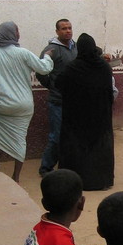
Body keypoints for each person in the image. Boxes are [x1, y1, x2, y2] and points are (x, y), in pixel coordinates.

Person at [0, 21, 53, 183]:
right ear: (13, 35)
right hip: (25, 105)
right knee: (19, 139)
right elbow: (44, 68)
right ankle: (16, 176)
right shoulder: (23, 53)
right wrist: (48, 56)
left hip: (3, 103)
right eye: (17, 31)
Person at [54, 33, 115, 191]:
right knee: (99, 149)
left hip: (76, 117)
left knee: (76, 148)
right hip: (100, 117)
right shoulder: (104, 67)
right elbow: (110, 92)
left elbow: (59, 83)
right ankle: (100, 181)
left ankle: (74, 181)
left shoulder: (72, 68)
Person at [37, 18, 77, 176]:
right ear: (57, 32)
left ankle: (67, 166)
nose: (67, 31)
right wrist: (52, 86)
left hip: (73, 101)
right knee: (56, 136)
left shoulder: (76, 47)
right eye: (64, 28)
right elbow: (41, 72)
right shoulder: (51, 50)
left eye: (69, 28)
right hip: (57, 101)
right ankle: (46, 168)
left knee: (72, 135)